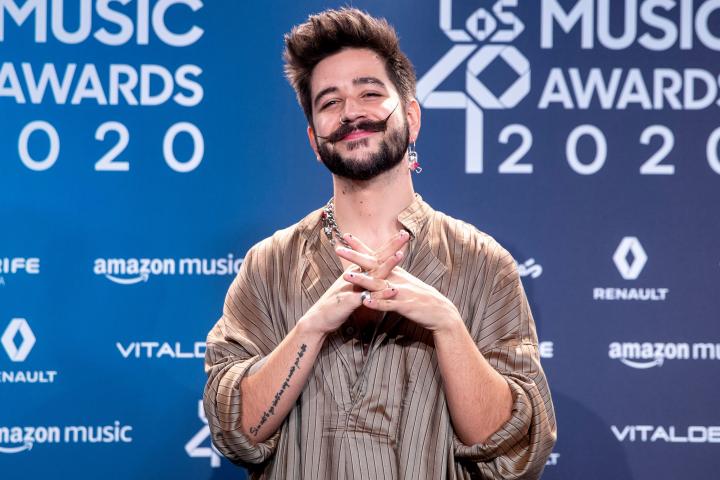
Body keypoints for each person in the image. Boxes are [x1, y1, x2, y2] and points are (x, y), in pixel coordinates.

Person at [203, 8, 556, 479]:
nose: (351, 112)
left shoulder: (484, 265)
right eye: (330, 102)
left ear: (411, 116)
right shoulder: (268, 266)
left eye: (370, 93)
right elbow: (234, 431)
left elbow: (514, 453)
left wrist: (448, 326)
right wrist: (311, 327)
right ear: (314, 140)